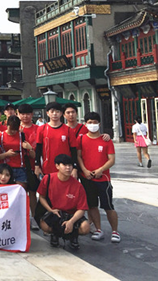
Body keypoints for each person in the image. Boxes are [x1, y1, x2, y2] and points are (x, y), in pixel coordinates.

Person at [77, 112, 120, 243]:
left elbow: (111, 159)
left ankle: (115, 231)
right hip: (87, 178)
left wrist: (101, 170)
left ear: (99, 124)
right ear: (85, 124)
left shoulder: (106, 140)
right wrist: (84, 170)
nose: (92, 125)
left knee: (108, 206)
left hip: (103, 179)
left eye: (94, 122)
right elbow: (79, 156)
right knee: (92, 205)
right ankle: (98, 229)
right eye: (89, 122)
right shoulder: (81, 139)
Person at [37, 154, 90, 249]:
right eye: (64, 165)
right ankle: (55, 234)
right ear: (57, 166)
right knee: (44, 225)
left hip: (72, 214)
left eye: (70, 165)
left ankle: (73, 236)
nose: (68, 168)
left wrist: (71, 221)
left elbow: (82, 209)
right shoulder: (48, 179)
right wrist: (50, 210)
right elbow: (42, 197)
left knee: (85, 227)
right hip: (56, 212)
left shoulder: (78, 186)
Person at [35, 102, 77, 179]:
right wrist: (37, 165)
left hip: (65, 167)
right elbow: (38, 148)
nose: (55, 114)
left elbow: (73, 150)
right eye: (52, 111)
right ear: (47, 113)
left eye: (57, 111)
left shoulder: (68, 130)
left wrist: (75, 168)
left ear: (61, 113)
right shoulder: (42, 129)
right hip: (48, 167)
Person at [0, 116, 35, 188]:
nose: (13, 132)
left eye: (15, 130)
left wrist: (30, 148)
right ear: (7, 125)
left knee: (20, 190)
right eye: (11, 129)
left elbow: (33, 156)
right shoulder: (0, 136)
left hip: (20, 168)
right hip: (5, 168)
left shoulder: (22, 135)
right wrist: (6, 154)